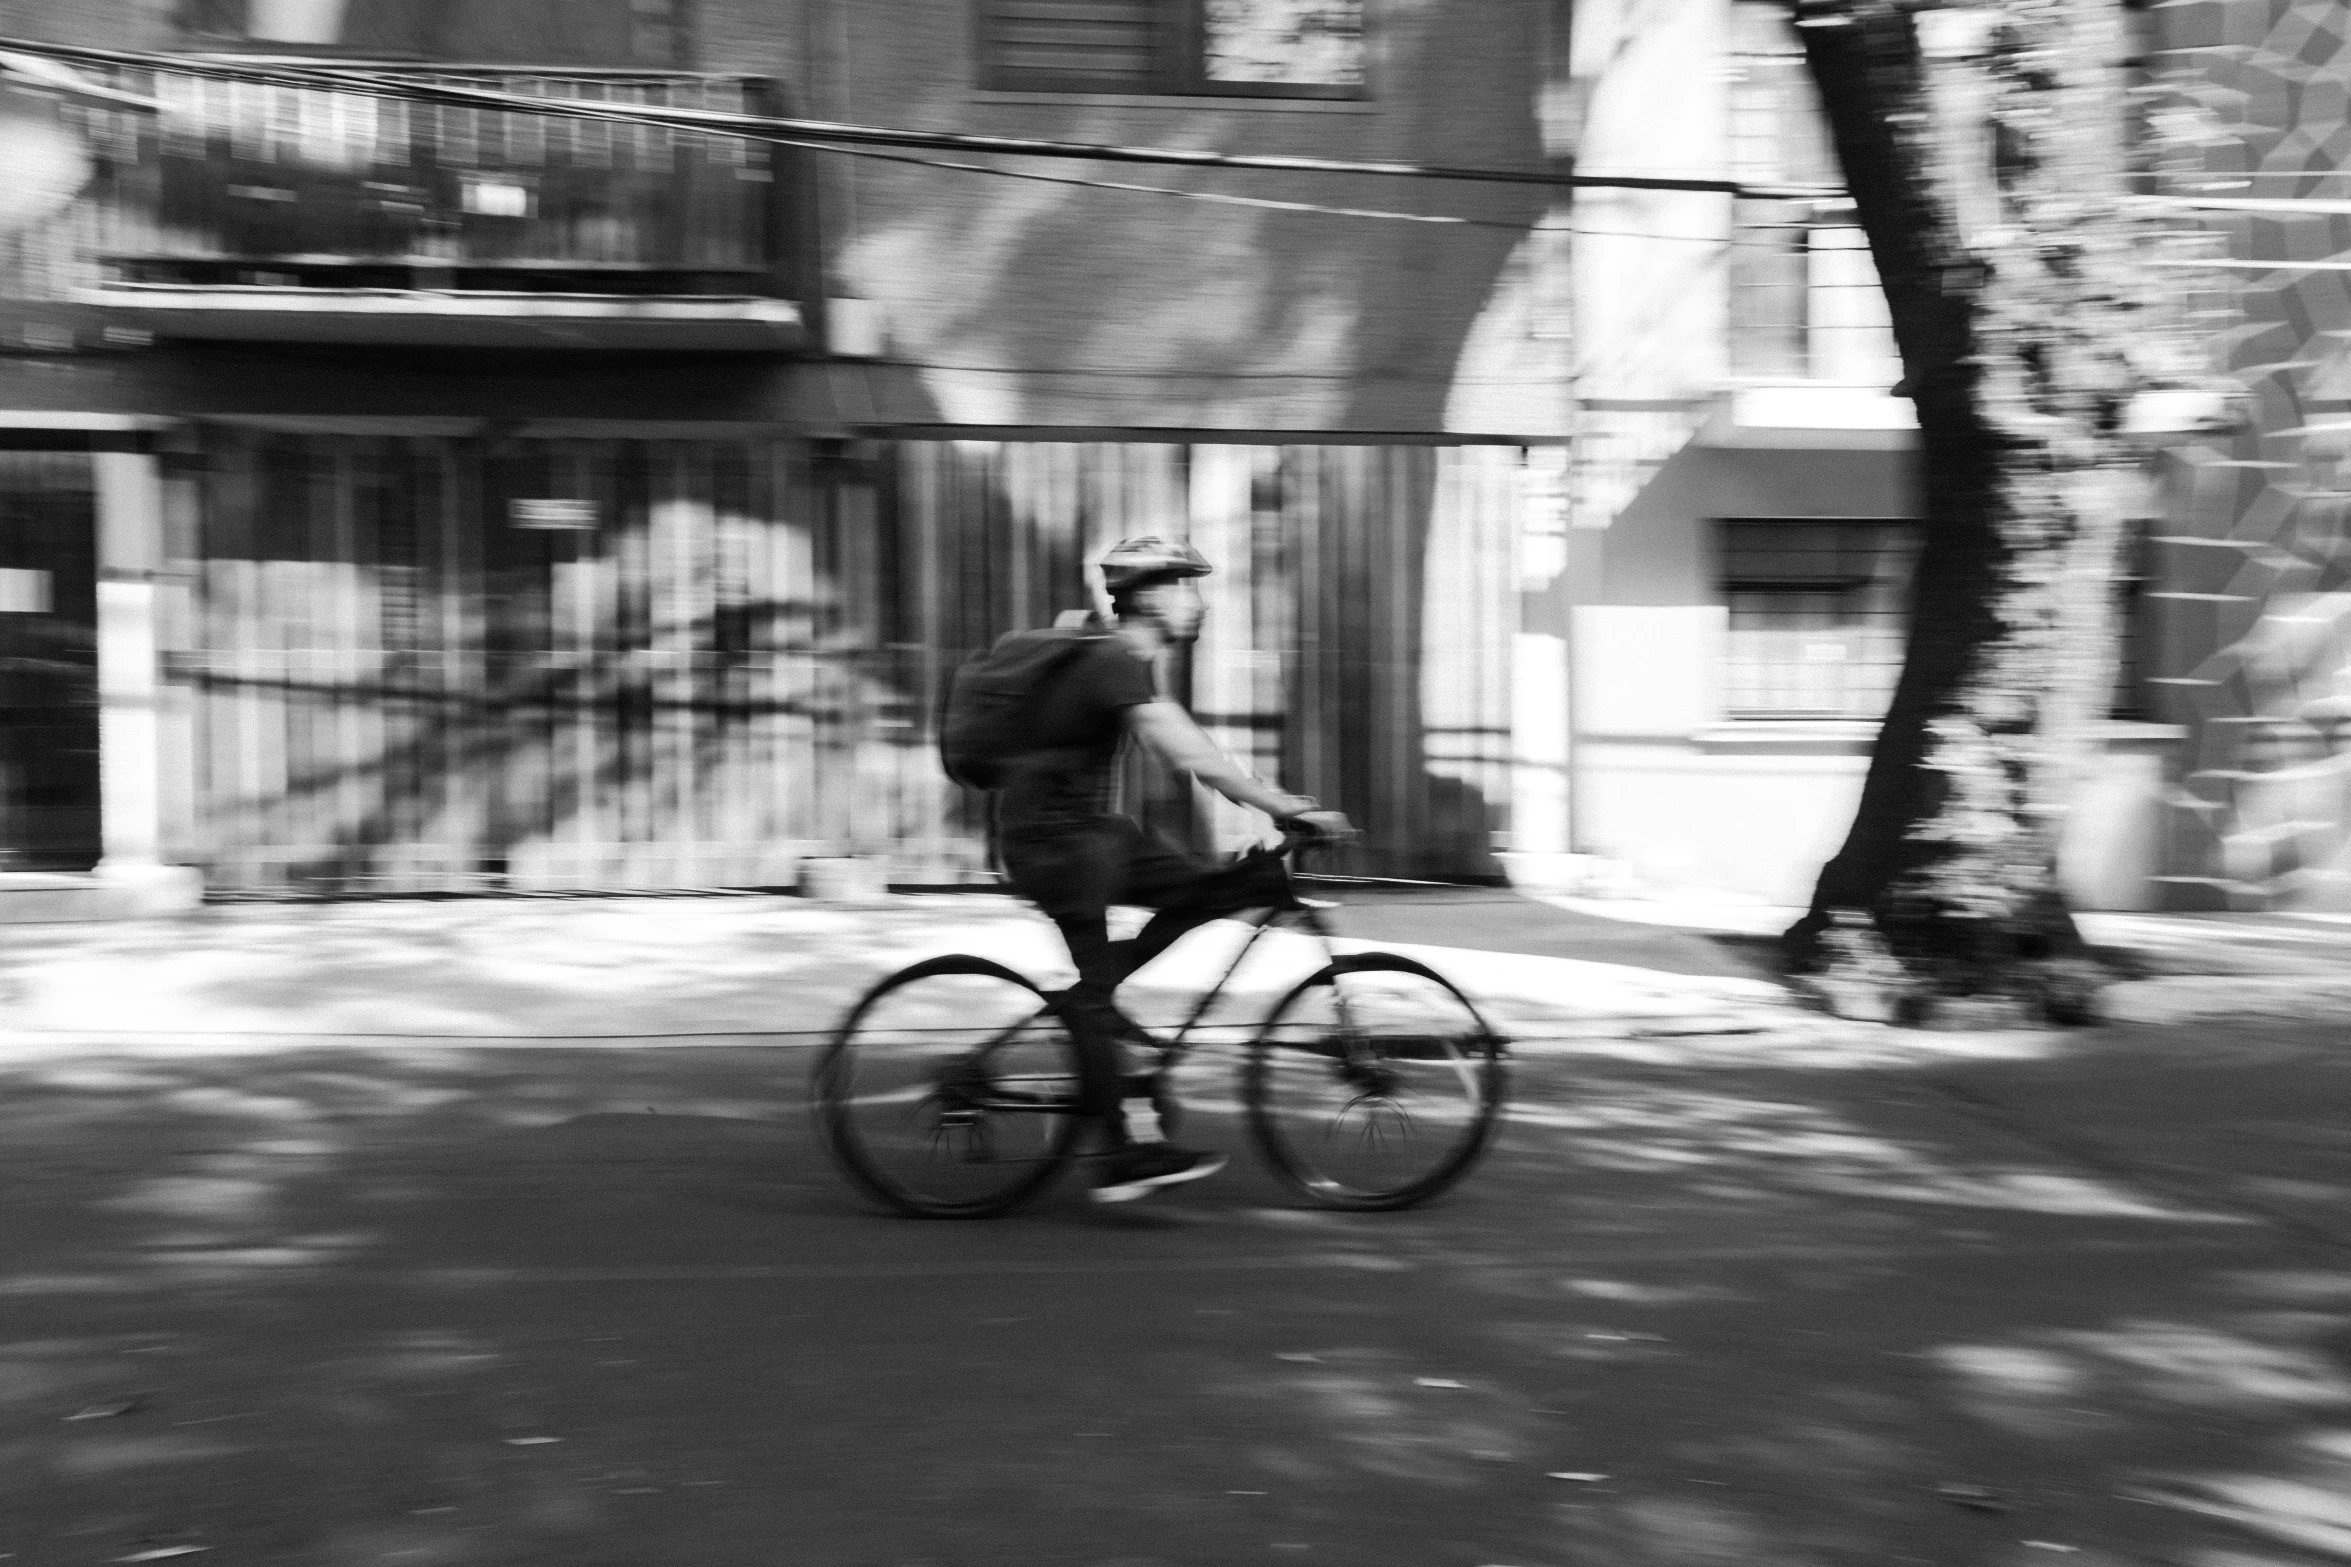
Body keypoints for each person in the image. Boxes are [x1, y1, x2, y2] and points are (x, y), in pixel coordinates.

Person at [989, 536, 1357, 1204]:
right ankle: (1116, 1151)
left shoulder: (1123, 660)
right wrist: (1277, 804)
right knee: (1100, 996)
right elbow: (1182, 749)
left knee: (1209, 888)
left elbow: (1182, 743)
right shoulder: (1111, 660)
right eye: (1185, 585)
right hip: (1055, 846)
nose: (1197, 600)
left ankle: (1094, 1013)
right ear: (1148, 595)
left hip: (1094, 837)